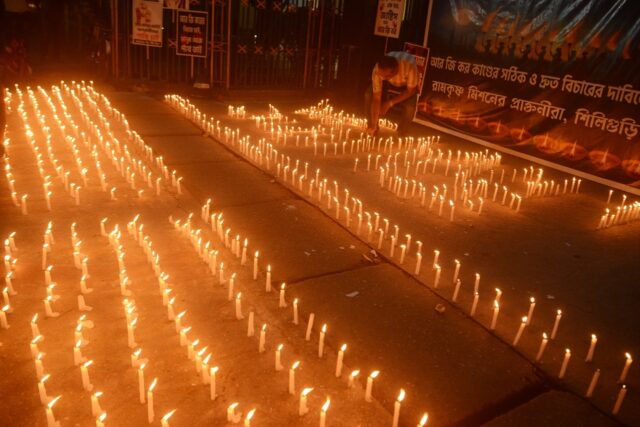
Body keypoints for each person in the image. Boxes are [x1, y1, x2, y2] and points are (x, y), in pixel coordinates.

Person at [365, 51, 418, 136]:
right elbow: (376, 98)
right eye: (381, 75)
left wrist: (389, 103)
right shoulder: (378, 70)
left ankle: (402, 133)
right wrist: (374, 124)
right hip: (387, 83)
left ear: (396, 71)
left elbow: (410, 91)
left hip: (406, 85)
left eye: (385, 76)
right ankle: (372, 127)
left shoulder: (409, 66)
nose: (382, 77)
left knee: (410, 107)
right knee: (368, 95)